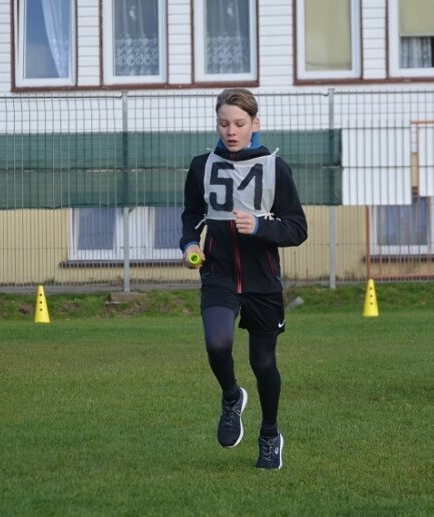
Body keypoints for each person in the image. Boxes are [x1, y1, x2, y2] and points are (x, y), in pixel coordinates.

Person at [180, 88, 308, 469]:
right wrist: (190, 243)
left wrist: (260, 227)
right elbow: (191, 214)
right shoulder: (202, 165)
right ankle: (232, 397)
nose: (231, 131)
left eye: (239, 123)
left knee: (263, 363)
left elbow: (297, 229)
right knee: (217, 344)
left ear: (256, 124)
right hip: (218, 273)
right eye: (224, 123)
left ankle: (269, 433)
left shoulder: (274, 168)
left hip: (262, 282)